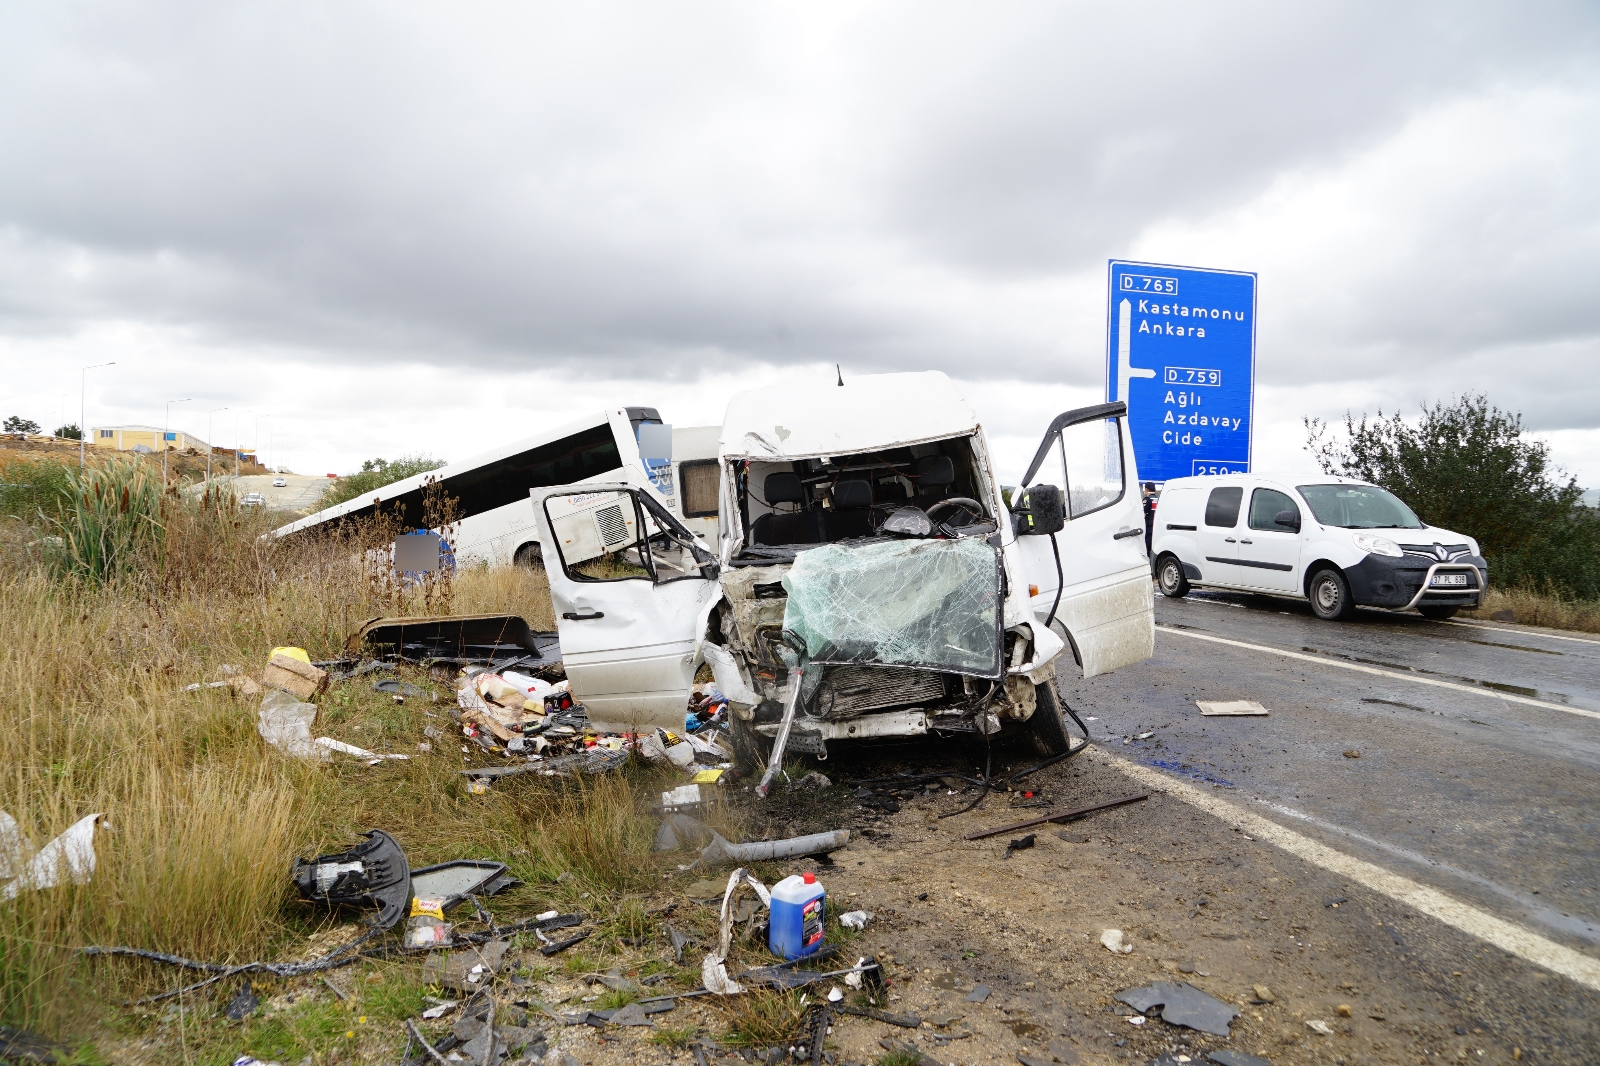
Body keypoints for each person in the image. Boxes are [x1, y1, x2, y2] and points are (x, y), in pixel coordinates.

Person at [1142, 482, 1158, 556]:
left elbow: (1143, 514)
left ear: (1147, 489)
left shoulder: (1147, 500)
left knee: (1145, 549)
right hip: (1156, 527)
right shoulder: (1158, 499)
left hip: (1148, 528)